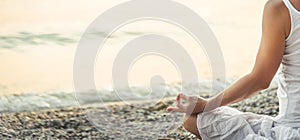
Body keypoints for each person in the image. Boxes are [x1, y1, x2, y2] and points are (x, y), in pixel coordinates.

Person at [167, 0, 300, 139]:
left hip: (291, 131)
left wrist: (208, 104)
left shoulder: (280, 9)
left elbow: (260, 80)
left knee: (192, 119)